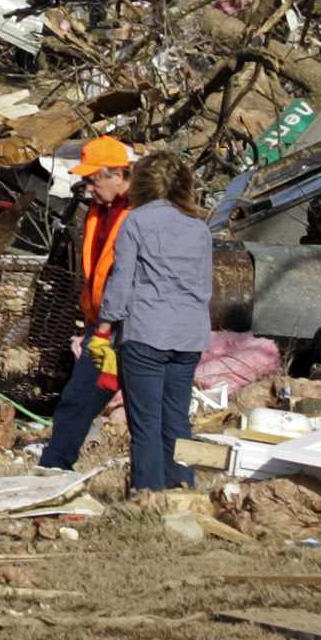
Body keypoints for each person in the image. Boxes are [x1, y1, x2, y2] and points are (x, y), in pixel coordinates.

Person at [102, 150, 215, 493]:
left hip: (147, 332)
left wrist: (106, 322)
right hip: (189, 336)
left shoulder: (135, 221)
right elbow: (205, 284)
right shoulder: (200, 227)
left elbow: (122, 279)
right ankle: (181, 485)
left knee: (146, 421)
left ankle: (148, 493)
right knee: (177, 417)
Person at [36, 137, 137, 470]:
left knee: (146, 410)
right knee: (77, 399)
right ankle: (54, 466)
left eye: (94, 180)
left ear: (118, 175)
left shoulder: (141, 213)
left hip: (134, 326)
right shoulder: (99, 210)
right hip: (103, 326)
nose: (89, 188)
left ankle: (161, 478)